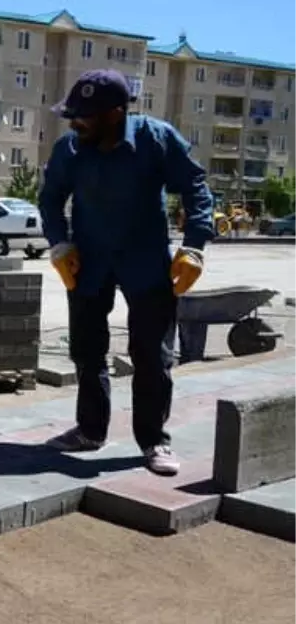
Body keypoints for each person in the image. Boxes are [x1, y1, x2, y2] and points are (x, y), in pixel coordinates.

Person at [38, 69, 215, 476]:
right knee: (86, 349)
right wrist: (59, 243)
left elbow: (196, 187)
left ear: (115, 113)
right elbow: (49, 200)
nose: (74, 122)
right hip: (88, 264)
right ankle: (89, 430)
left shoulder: (156, 139)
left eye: (83, 115)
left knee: (152, 355)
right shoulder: (70, 149)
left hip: (147, 262)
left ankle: (153, 439)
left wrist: (194, 245)